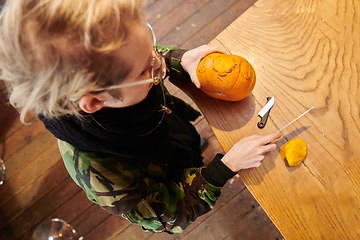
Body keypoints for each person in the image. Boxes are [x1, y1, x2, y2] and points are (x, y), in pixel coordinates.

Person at [0, 0, 281, 234]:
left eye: (152, 46)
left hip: (165, 132)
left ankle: (188, 151)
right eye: (148, 69)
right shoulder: (104, 175)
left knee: (190, 144)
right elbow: (174, 215)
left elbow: (138, 60)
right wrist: (226, 167)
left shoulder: (114, 81)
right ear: (94, 101)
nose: (158, 61)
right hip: (169, 179)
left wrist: (180, 59)